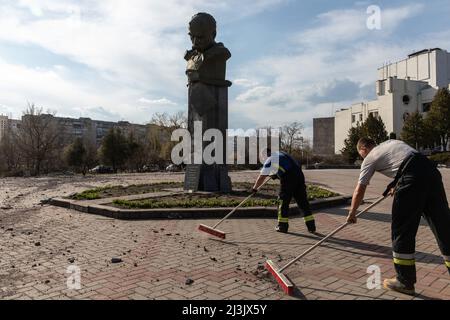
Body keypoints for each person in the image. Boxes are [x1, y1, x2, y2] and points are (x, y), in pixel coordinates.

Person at [346, 138, 450, 295]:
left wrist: (352, 213)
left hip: (411, 179)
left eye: (360, 154)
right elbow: (406, 162)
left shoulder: (370, 157)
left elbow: (359, 189)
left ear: (363, 149)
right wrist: (397, 183)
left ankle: (404, 281)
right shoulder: (390, 143)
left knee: (402, 231)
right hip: (431, 172)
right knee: (444, 227)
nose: (362, 157)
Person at [252, 148, 316, 234]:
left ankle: (282, 226)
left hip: (289, 178)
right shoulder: (281, 154)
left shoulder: (269, 159)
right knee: (302, 201)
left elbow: (262, 177)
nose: (263, 160)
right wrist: (276, 175)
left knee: (283, 202)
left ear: (265, 155)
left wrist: (254, 188)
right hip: (299, 175)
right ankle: (311, 226)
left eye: (262, 157)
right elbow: (285, 167)